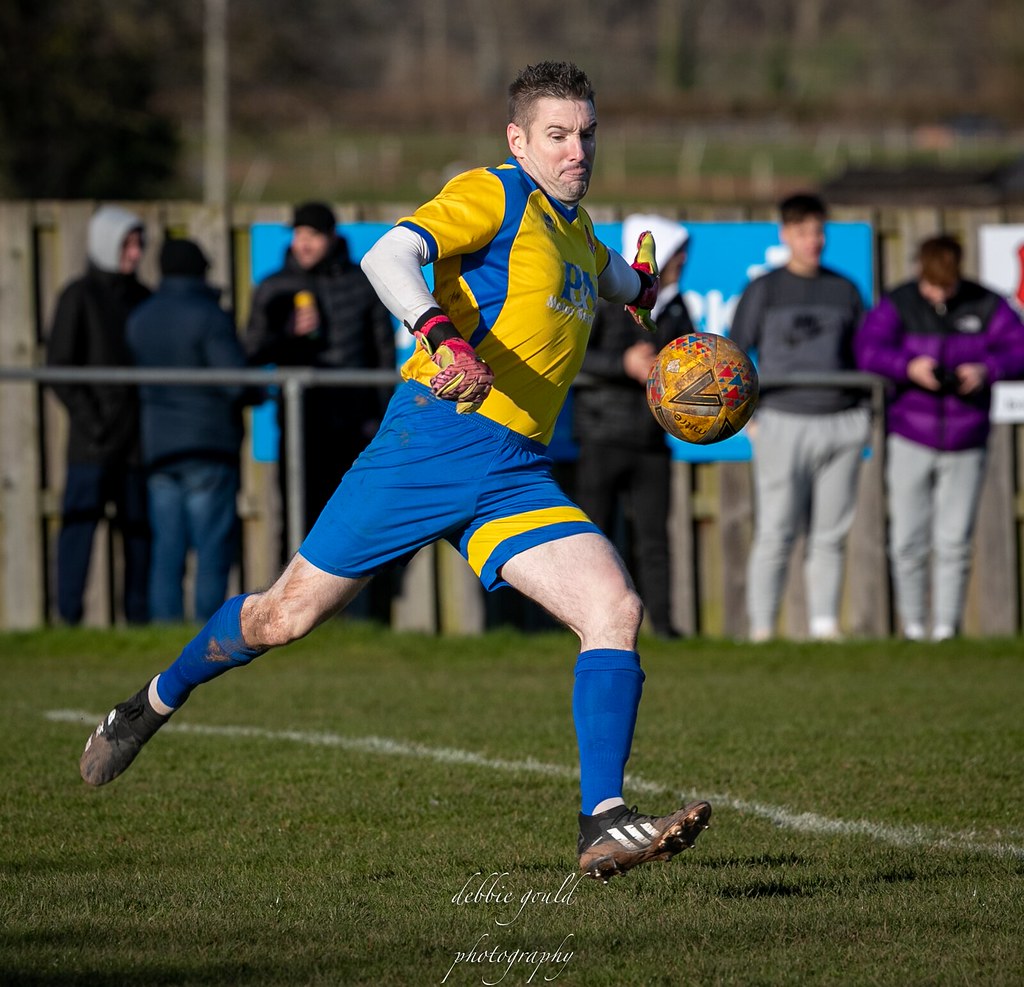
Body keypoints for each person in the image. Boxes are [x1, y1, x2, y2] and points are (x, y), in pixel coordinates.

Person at [78, 60, 711, 884]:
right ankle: (152, 700)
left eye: (587, 133)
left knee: (613, 605)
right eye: (557, 135)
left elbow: (624, 280)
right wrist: (441, 335)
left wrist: (643, 287)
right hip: (430, 446)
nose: (576, 150)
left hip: (515, 471)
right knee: (280, 619)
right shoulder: (495, 193)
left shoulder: (577, 232)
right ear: (518, 140)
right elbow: (388, 257)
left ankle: (603, 820)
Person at [855, 234, 1024, 641]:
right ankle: (914, 627)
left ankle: (946, 627)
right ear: (919, 272)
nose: (938, 292)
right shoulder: (899, 303)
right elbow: (866, 350)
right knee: (908, 538)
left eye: (945, 285)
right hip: (910, 434)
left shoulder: (986, 304)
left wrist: (986, 369)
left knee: (954, 540)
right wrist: (908, 367)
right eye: (932, 284)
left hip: (967, 438)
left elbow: (1018, 350)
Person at [729, 192, 869, 642]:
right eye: (806, 232)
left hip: (842, 422)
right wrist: (751, 422)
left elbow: (865, 355)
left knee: (830, 532)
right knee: (776, 531)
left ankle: (825, 625)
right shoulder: (764, 289)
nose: (815, 241)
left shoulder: (845, 290)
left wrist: (863, 415)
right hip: (781, 421)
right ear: (786, 234)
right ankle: (762, 631)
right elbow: (733, 358)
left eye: (820, 231)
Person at [244, 201, 395, 561]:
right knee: (297, 517)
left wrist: (381, 418)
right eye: (297, 235)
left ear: (330, 237)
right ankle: (288, 607)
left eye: (311, 235)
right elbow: (250, 351)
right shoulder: (274, 286)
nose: (303, 243)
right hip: (300, 421)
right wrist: (287, 333)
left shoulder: (361, 283)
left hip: (355, 422)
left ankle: (355, 611)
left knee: (355, 521)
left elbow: (383, 354)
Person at [573, 214, 694, 639]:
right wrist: (623, 365)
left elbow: (689, 367)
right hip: (601, 434)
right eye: (677, 254)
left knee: (654, 540)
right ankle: (589, 622)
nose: (683, 262)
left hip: (649, 439)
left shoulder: (677, 307)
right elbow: (575, 357)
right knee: (594, 537)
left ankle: (662, 624)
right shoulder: (604, 299)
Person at [126, 237, 248, 623]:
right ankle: (208, 641)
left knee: (167, 549)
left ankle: (164, 632)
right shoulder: (209, 316)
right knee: (211, 551)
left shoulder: (140, 317)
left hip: (160, 447)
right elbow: (234, 382)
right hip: (208, 444)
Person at [46, 204, 151, 625]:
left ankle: (138, 620)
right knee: (78, 530)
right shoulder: (79, 295)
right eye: (127, 243)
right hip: (91, 444)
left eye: (139, 243)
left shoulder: (143, 298)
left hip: (135, 441)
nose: (136, 252)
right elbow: (59, 368)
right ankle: (67, 618)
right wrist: (92, 423)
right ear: (107, 244)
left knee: (138, 533)